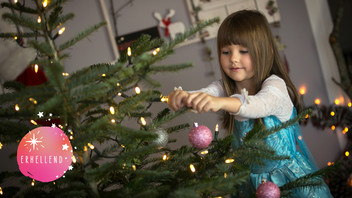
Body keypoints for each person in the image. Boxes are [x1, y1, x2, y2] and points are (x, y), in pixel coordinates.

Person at [167, 10, 333, 197]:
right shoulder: (224, 88)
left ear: (266, 51)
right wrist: (182, 95)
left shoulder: (275, 86)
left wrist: (220, 102)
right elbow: (206, 93)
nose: (234, 58)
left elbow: (257, 105)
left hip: (289, 179)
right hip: (250, 181)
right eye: (226, 52)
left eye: (243, 51)